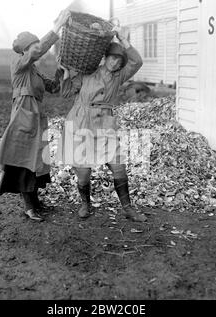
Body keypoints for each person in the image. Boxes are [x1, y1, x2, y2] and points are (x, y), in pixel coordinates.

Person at [57, 27, 147, 222]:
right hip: (81, 120)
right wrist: (65, 73)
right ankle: (85, 204)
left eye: (119, 61)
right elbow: (65, 94)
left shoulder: (119, 77)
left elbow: (137, 61)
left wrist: (123, 39)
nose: (115, 63)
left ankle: (128, 208)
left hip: (105, 123)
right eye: (113, 58)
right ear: (105, 57)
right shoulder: (87, 73)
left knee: (118, 166)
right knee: (83, 171)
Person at [0, 10, 71, 222]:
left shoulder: (34, 71)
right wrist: (57, 28)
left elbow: (53, 87)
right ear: (26, 49)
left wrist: (60, 71)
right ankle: (28, 207)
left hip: (36, 118)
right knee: (22, 162)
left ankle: (35, 201)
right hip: (22, 116)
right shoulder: (17, 63)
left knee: (35, 161)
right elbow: (38, 52)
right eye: (34, 46)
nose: (37, 49)